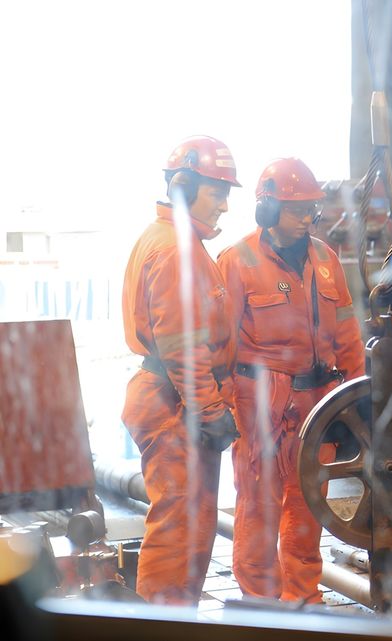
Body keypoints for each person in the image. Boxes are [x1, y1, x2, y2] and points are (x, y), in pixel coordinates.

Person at [217, 157, 365, 603]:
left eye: (311, 209)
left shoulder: (326, 259)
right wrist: (218, 405)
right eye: (298, 209)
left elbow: (346, 330)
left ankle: (302, 602)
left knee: (308, 508)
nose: (307, 218)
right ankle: (260, 606)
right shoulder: (236, 262)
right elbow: (219, 346)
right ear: (267, 209)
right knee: (258, 508)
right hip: (260, 402)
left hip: (316, 402)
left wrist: (357, 393)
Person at [121, 135, 242, 605]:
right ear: (184, 186)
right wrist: (209, 409)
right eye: (218, 192)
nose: (226, 206)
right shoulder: (175, 249)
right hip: (174, 404)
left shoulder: (174, 240)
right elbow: (182, 346)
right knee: (178, 533)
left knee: (190, 527)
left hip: (172, 398)